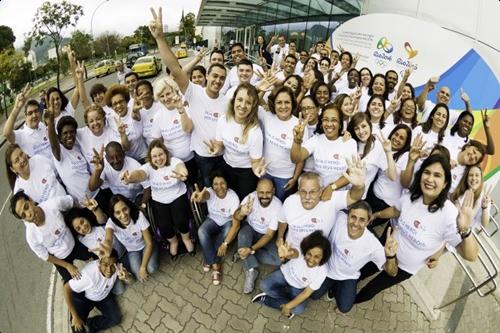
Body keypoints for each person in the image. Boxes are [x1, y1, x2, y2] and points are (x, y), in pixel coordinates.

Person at [355, 154, 479, 304]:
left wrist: (465, 230)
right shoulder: (411, 196)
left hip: (405, 268)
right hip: (387, 251)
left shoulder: (450, 215)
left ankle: (352, 302)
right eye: (427, 172)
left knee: (372, 289)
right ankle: (348, 287)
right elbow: (396, 210)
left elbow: (471, 256)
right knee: (366, 269)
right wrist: (376, 214)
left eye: (437, 175)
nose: (430, 179)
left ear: (445, 183)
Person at [149, 8, 229, 187]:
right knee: (207, 188)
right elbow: (175, 69)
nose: (218, 80)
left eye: (222, 78)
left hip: (224, 155)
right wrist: (160, 38)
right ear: (207, 76)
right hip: (202, 157)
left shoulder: (226, 101)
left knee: (224, 188)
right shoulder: (193, 91)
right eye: (214, 76)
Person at [310, 202, 396, 314]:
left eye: (361, 220)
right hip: (327, 269)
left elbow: (392, 272)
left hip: (347, 276)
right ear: (348, 215)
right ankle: (331, 285)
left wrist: (391, 256)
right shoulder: (339, 218)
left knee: (344, 308)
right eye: (353, 217)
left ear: (368, 221)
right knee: (314, 295)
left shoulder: (374, 246)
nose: (355, 223)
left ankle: (336, 287)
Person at [121, 139, 195, 258]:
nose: (158, 158)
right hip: (159, 200)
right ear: (150, 158)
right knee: (164, 226)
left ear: (166, 153)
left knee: (180, 220)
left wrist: (183, 173)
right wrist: (130, 178)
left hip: (178, 195)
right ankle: (174, 242)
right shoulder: (148, 167)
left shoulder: (174, 161)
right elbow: (140, 174)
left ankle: (186, 239)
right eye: (154, 156)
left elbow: (181, 168)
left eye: (161, 154)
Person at [276, 162, 365, 250]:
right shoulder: (289, 202)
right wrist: (280, 237)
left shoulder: (331, 201)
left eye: (312, 192)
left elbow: (353, 197)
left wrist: (359, 186)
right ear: (298, 190)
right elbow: (282, 221)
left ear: (321, 190)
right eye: (303, 191)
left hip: (316, 255)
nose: (307, 197)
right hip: (291, 249)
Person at [10, 192, 95, 282]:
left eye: (26, 207)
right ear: (23, 220)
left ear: (31, 200)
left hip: (74, 243)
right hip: (60, 258)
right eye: (24, 215)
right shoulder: (31, 236)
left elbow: (71, 201)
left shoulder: (53, 205)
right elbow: (45, 256)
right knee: (70, 289)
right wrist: (67, 266)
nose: (28, 215)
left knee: (98, 257)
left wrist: (87, 207)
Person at [252, 230, 331, 319]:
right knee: (264, 285)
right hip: (284, 274)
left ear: (323, 257)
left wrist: (288, 306)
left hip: (298, 287)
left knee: (299, 309)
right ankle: (286, 303)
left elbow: (306, 293)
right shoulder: (301, 250)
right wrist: (287, 254)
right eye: (309, 254)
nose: (311, 259)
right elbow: (293, 253)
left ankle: (268, 300)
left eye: (317, 257)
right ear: (306, 250)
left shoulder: (322, 271)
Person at [208, 83, 265, 200]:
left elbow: (255, 161)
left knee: (244, 200)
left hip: (246, 172)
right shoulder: (223, 120)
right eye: (240, 100)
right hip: (227, 166)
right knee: (230, 197)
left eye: (248, 102)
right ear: (234, 100)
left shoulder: (255, 132)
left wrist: (257, 170)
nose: (243, 105)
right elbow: (220, 144)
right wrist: (216, 149)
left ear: (253, 106)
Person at [231, 179, 283, 294]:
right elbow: (235, 217)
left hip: (264, 235)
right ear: (256, 191)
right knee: (243, 235)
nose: (264, 196)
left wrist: (250, 249)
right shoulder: (251, 198)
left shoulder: (278, 206)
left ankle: (243, 253)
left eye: (268, 192)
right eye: (261, 192)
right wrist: (242, 213)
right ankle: (251, 270)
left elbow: (269, 235)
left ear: (274, 191)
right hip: (250, 229)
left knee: (278, 260)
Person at [63, 250, 130, 333]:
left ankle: (90, 324)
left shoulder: (118, 268)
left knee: (115, 319)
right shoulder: (88, 275)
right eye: (105, 265)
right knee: (77, 329)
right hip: (85, 298)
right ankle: (80, 321)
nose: (109, 270)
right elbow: (66, 288)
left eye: (112, 265)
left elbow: (131, 280)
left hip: (103, 296)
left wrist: (127, 277)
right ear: (99, 262)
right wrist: (75, 316)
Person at [291, 103, 356, 188]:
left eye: (334, 120)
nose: (329, 124)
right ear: (321, 123)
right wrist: (297, 140)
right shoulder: (316, 140)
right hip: (319, 193)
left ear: (340, 124)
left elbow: (351, 173)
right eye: (325, 119)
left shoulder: (350, 143)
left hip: (341, 193)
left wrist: (332, 187)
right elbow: (296, 159)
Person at [191, 171, 240, 285]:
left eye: (222, 183)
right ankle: (215, 265)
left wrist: (225, 244)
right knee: (201, 231)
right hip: (212, 219)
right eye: (215, 184)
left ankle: (209, 259)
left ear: (227, 184)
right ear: (212, 185)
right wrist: (200, 197)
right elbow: (204, 196)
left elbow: (236, 226)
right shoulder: (209, 192)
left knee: (227, 232)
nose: (219, 187)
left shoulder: (233, 198)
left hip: (227, 221)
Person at [260, 86, 304, 200]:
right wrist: (261, 88)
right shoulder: (267, 116)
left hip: (285, 177)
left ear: (293, 104)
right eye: (279, 102)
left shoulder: (300, 125)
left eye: (287, 102)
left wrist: (295, 178)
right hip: (265, 172)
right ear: (273, 104)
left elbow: (301, 158)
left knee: (280, 205)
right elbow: (254, 103)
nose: (283, 106)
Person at [152, 77, 197, 186]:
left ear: (175, 91)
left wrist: (181, 109)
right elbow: (157, 143)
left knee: (194, 185)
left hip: (192, 159)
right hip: (172, 163)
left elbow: (188, 129)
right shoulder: (158, 117)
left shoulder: (185, 108)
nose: (166, 98)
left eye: (168, 94)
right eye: (161, 96)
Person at [104, 194, 159, 281]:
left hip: (146, 245)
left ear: (129, 207)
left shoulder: (139, 215)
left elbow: (149, 243)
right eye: (118, 212)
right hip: (132, 251)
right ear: (113, 214)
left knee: (151, 268)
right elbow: (108, 238)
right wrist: (106, 246)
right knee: (138, 274)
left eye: (125, 209)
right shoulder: (111, 222)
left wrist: (143, 267)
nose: (123, 215)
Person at [367, 124, 412, 227]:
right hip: (372, 195)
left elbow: (393, 177)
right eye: (396, 134)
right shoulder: (384, 148)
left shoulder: (405, 156)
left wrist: (388, 152)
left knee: (367, 225)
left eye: (401, 138)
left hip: (386, 204)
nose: (396, 139)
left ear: (406, 143)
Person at [3, 86, 53, 161]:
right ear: (25, 117)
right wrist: (17, 108)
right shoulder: (21, 135)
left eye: (36, 111)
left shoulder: (41, 126)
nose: (34, 115)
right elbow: (7, 133)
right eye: (30, 113)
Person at [105, 84, 147, 162]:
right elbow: (126, 148)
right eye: (115, 104)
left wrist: (135, 111)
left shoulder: (133, 110)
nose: (118, 106)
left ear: (126, 101)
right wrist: (122, 134)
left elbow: (135, 115)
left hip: (144, 157)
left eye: (121, 101)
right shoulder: (111, 120)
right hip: (128, 161)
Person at [451, 166, 493, 230]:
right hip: (449, 225)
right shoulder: (461, 189)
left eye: (477, 175)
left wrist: (484, 207)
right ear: (466, 178)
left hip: (463, 233)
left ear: (481, 179)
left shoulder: (484, 198)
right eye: (471, 175)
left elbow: (484, 224)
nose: (473, 178)